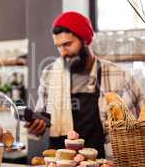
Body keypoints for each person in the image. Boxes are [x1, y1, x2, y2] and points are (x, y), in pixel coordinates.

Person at [26, 11, 145, 158]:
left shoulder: (120, 76)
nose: (62, 53)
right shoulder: (49, 74)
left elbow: (138, 128)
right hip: (60, 164)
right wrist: (36, 127)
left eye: (68, 44)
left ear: (86, 40)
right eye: (58, 46)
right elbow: (42, 115)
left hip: (102, 164)